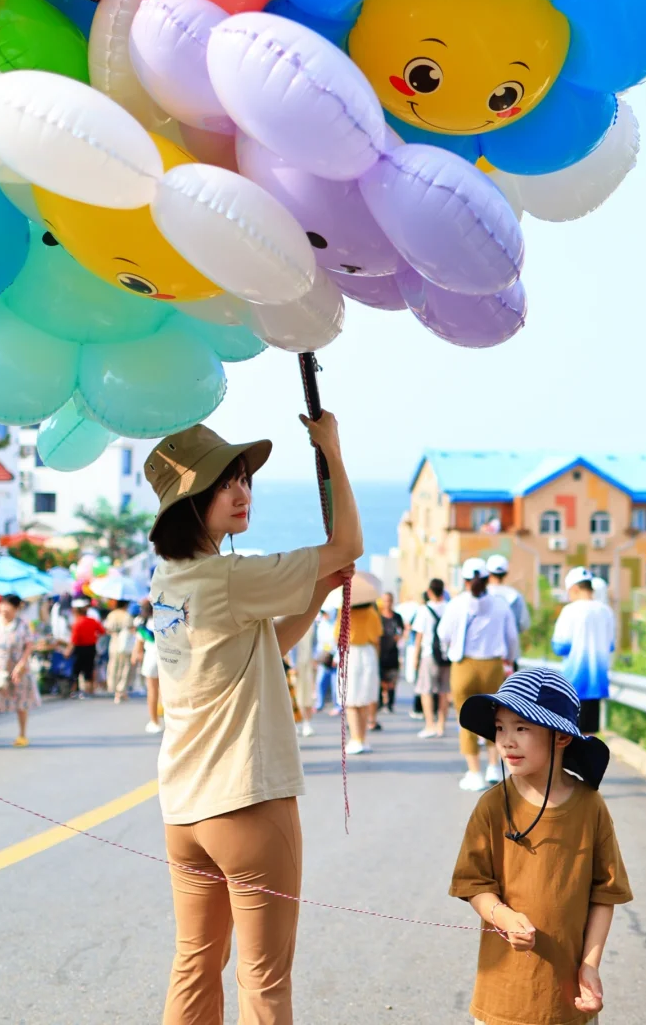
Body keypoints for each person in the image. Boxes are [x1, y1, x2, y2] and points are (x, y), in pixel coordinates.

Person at [144, 411, 361, 1025]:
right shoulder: (227, 577)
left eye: (243, 479)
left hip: (184, 810)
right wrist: (333, 450)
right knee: (264, 983)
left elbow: (266, 645)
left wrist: (316, 593)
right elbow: (347, 545)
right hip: (247, 803)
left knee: (194, 964)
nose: (242, 493)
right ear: (191, 505)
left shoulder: (169, 582)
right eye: (224, 483)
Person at [449, 666, 631, 1025]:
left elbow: (604, 895)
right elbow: (474, 885)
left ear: (561, 737)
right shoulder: (490, 807)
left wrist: (590, 966)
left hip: (567, 999)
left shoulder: (590, 807)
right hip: (502, 997)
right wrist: (502, 916)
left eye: (522, 728)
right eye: (500, 727)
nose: (506, 741)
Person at [438, 559, 518, 791]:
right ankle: (494, 767)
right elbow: (512, 637)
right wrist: (509, 659)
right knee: (495, 718)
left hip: (464, 665)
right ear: (487, 579)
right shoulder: (500, 604)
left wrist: (448, 651)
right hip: (492, 665)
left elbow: (443, 633)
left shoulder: (457, 604)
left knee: (466, 719)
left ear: (464, 580)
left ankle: (475, 773)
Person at [551, 567, 616, 734]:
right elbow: (610, 646)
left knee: (569, 734)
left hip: (573, 683)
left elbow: (559, 647)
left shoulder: (570, 611)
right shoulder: (606, 611)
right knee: (589, 736)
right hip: (597, 682)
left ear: (574, 589)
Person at [0, 593, 40, 751]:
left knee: (21, 703)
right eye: (2, 606)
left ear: (16, 609)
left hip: (18, 670)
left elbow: (29, 645)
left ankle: (22, 734)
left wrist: (21, 665)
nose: (4, 610)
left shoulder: (22, 624)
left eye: (8, 607)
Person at [340, 581, 381, 753]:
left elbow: (338, 635)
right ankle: (362, 739)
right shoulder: (372, 612)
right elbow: (377, 638)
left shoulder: (344, 611)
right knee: (364, 700)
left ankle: (355, 739)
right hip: (368, 653)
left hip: (351, 653)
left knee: (350, 701)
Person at [411, 578, 450, 738]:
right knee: (444, 691)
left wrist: (415, 658)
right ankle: (441, 725)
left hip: (429, 654)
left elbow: (419, 636)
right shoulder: (450, 608)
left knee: (426, 691)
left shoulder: (424, 610)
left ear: (429, 592)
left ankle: (430, 724)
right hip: (447, 655)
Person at [486, 554, 532, 661]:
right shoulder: (515, 596)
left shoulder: (481, 596)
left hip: (485, 655)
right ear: (506, 574)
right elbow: (524, 624)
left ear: (487, 573)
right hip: (509, 654)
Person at [131, 599, 163, 733]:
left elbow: (139, 643)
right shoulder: (162, 620)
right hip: (166, 658)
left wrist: (135, 656)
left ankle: (155, 721)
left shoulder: (141, 623)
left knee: (152, 691)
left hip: (151, 658)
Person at [64, 598, 104, 695]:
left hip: (79, 649)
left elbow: (74, 640)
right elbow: (102, 631)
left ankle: (73, 690)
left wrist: (68, 651)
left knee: (76, 670)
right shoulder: (92, 621)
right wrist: (94, 638)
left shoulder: (77, 623)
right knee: (89, 670)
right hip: (91, 648)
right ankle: (89, 690)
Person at [376, 592, 405, 717]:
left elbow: (402, 630)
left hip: (393, 652)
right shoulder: (378, 616)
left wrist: (399, 637)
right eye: (385, 600)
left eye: (389, 600)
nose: (387, 603)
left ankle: (390, 704)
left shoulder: (397, 617)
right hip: (380, 652)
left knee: (392, 680)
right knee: (381, 680)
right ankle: (381, 703)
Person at [104, 598, 136, 703]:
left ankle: (114, 688)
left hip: (114, 642)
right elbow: (131, 629)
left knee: (114, 665)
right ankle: (121, 691)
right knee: (125, 666)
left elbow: (107, 629)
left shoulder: (111, 615)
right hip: (125, 643)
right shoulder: (127, 615)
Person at [291, 623, 316, 738]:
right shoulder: (289, 617)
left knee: (307, 695)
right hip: (295, 665)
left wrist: (315, 659)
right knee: (294, 695)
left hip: (308, 664)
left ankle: (307, 723)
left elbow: (315, 643)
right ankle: (294, 723)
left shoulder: (312, 622)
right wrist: (292, 664)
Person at [312, 608, 337, 714]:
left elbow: (339, 642)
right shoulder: (321, 624)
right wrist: (317, 657)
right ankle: (319, 704)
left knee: (335, 683)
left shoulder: (337, 624)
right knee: (320, 681)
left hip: (334, 656)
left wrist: (336, 657)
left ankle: (338, 705)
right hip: (323, 656)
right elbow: (318, 643)